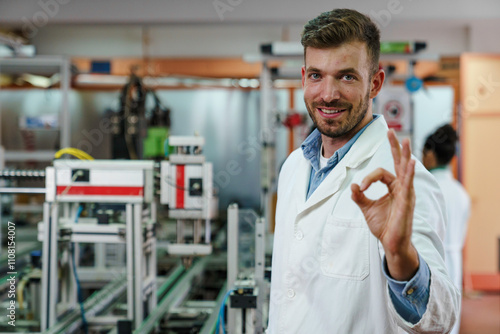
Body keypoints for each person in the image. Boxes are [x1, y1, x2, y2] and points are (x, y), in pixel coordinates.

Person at [268, 9, 460, 334]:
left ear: (375, 83)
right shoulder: (293, 167)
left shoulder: (400, 178)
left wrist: (400, 256)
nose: (328, 94)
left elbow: (439, 318)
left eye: (346, 76)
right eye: (316, 75)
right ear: (303, 77)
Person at [422, 124, 471, 334]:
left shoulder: (425, 188)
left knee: (426, 321)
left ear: (431, 154)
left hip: (430, 264)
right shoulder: (461, 193)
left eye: (423, 153)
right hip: (454, 263)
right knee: (451, 322)